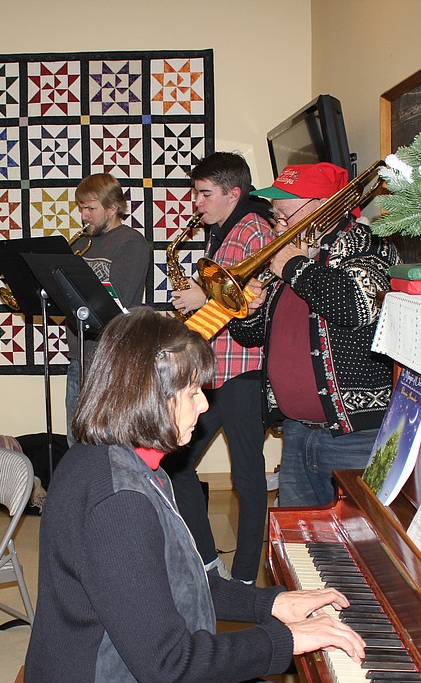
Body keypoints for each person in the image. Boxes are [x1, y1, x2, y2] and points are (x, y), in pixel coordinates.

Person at [24, 307, 365, 683]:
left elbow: (171, 583)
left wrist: (274, 603)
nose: (205, 406)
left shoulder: (121, 462)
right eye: (192, 394)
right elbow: (168, 664)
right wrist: (284, 640)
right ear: (149, 399)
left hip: (134, 679)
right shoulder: (118, 501)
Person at [230, 162, 397, 508]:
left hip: (354, 434)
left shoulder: (371, 245)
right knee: (300, 539)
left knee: (361, 542)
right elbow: (251, 336)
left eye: (284, 215)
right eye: (275, 215)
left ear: (322, 206)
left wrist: (293, 267)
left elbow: (356, 306)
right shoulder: (293, 253)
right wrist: (249, 310)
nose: (278, 224)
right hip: (297, 431)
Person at [165, 151, 274, 584]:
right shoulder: (221, 231)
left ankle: (246, 578)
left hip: (245, 372)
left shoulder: (255, 229)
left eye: (205, 194)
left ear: (234, 193)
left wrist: (201, 299)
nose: (197, 203)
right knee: (177, 464)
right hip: (216, 371)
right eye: (197, 193)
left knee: (247, 479)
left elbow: (254, 297)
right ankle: (209, 563)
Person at [64, 172, 151, 435]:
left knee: (108, 438)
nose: (84, 216)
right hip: (79, 355)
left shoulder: (130, 242)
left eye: (90, 209)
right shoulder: (80, 243)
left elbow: (119, 302)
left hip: (111, 358)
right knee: (75, 437)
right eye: (81, 208)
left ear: (113, 208)